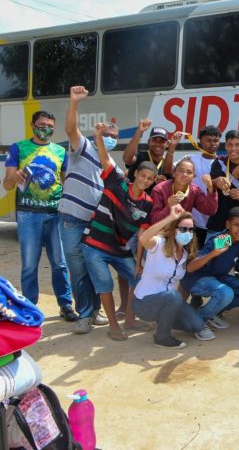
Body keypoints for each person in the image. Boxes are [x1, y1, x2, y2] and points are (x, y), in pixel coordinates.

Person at [81, 123, 156, 341]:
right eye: (142, 176)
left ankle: (130, 319)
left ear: (153, 182)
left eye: (149, 179)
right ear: (136, 175)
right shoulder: (118, 182)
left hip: (120, 248)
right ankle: (114, 325)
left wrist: (139, 261)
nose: (144, 180)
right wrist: (98, 137)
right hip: (94, 244)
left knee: (137, 279)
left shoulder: (147, 203)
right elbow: (105, 159)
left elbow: (142, 236)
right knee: (106, 284)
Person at [58, 86, 120, 333]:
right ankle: (84, 314)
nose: (110, 137)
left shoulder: (111, 163)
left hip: (96, 225)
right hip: (72, 220)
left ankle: (95, 311)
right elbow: (71, 129)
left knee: (94, 267)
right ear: (98, 134)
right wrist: (74, 102)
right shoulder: (82, 146)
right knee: (77, 269)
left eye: (114, 135)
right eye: (106, 133)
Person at [2, 109, 73, 319]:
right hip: (28, 214)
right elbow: (6, 185)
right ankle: (30, 308)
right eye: (42, 125)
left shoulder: (60, 152)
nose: (46, 129)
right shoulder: (18, 148)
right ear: (33, 126)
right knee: (30, 264)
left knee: (60, 264)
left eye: (50, 126)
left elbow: (65, 181)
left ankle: (66, 305)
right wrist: (15, 176)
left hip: (55, 214)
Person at [133, 205, 208, 348]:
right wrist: (170, 218)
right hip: (144, 303)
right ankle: (162, 337)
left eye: (191, 230)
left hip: (167, 301)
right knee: (173, 296)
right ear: (174, 230)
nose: (188, 232)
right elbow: (143, 238)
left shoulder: (185, 255)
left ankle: (164, 320)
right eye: (183, 229)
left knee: (196, 325)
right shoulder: (159, 244)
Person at [180, 207, 239, 336]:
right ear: (227, 224)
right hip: (196, 278)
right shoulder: (220, 239)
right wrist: (213, 253)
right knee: (226, 293)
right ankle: (197, 321)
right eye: (236, 225)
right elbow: (190, 268)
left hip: (218, 277)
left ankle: (210, 313)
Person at [165, 125, 221, 245]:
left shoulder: (223, 162)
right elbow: (168, 170)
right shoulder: (190, 159)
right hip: (193, 221)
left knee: (213, 254)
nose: (212, 144)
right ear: (200, 141)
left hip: (216, 222)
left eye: (216, 140)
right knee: (191, 255)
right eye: (208, 140)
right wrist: (173, 146)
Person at [207, 130, 239, 237]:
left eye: (237, 145)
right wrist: (217, 181)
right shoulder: (219, 162)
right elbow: (210, 185)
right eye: (230, 145)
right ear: (225, 146)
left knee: (238, 254)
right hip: (219, 227)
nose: (233, 148)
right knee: (217, 253)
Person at [150, 157, 218, 225]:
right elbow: (154, 220)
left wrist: (211, 189)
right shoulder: (159, 189)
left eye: (189, 172)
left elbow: (210, 211)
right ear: (173, 173)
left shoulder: (194, 191)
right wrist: (168, 207)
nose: (184, 175)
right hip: (162, 232)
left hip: (183, 231)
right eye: (181, 170)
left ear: (193, 177)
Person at [123, 119, 169, 192]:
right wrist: (139, 132)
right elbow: (127, 159)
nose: (158, 144)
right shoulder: (140, 156)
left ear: (167, 144)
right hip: (130, 200)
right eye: (154, 140)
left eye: (162, 141)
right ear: (148, 142)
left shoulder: (167, 164)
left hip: (151, 202)